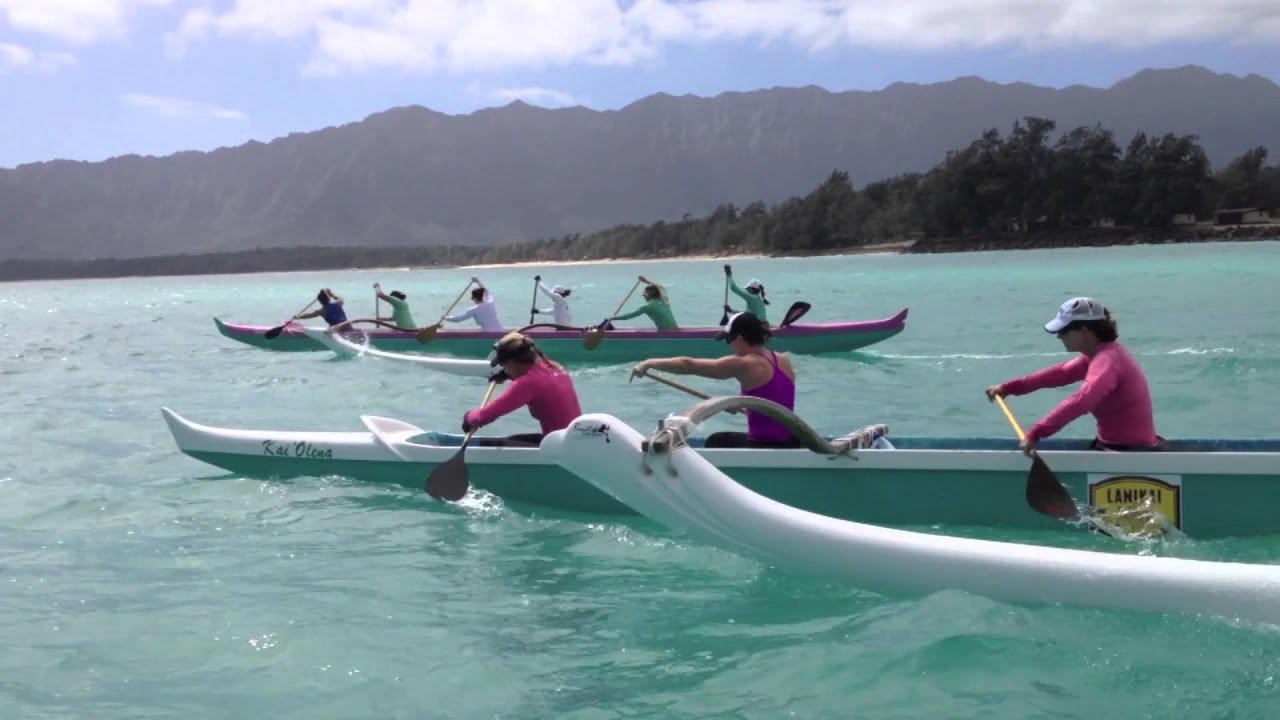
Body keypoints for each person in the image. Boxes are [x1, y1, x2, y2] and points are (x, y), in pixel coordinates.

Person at [985, 296, 1162, 455]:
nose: (1059, 337)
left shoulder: (1107, 361)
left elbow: (1082, 401)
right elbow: (1059, 374)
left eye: (1063, 331)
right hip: (1115, 446)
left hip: (1130, 453)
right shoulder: (1097, 354)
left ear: (1084, 331)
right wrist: (1009, 387)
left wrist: (1037, 432)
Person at [630, 311, 799, 448]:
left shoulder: (744, 363)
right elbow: (774, 396)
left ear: (739, 338)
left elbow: (689, 365)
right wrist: (742, 404)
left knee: (716, 441)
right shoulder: (783, 359)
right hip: (793, 442)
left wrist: (649, 363)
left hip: (766, 446)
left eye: (728, 340)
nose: (729, 345)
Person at [463, 332, 583, 446]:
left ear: (513, 362)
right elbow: (537, 382)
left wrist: (468, 418)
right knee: (511, 440)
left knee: (489, 445)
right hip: (573, 439)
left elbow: (484, 416)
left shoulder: (528, 383)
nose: (504, 368)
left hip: (559, 446)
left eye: (504, 365)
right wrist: (506, 375)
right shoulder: (554, 367)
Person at [611, 276, 679, 330]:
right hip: (675, 329)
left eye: (644, 294)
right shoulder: (663, 300)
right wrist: (646, 281)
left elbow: (630, 315)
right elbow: (660, 288)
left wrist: (613, 318)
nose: (643, 296)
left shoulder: (647, 306)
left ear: (647, 295)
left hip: (665, 332)